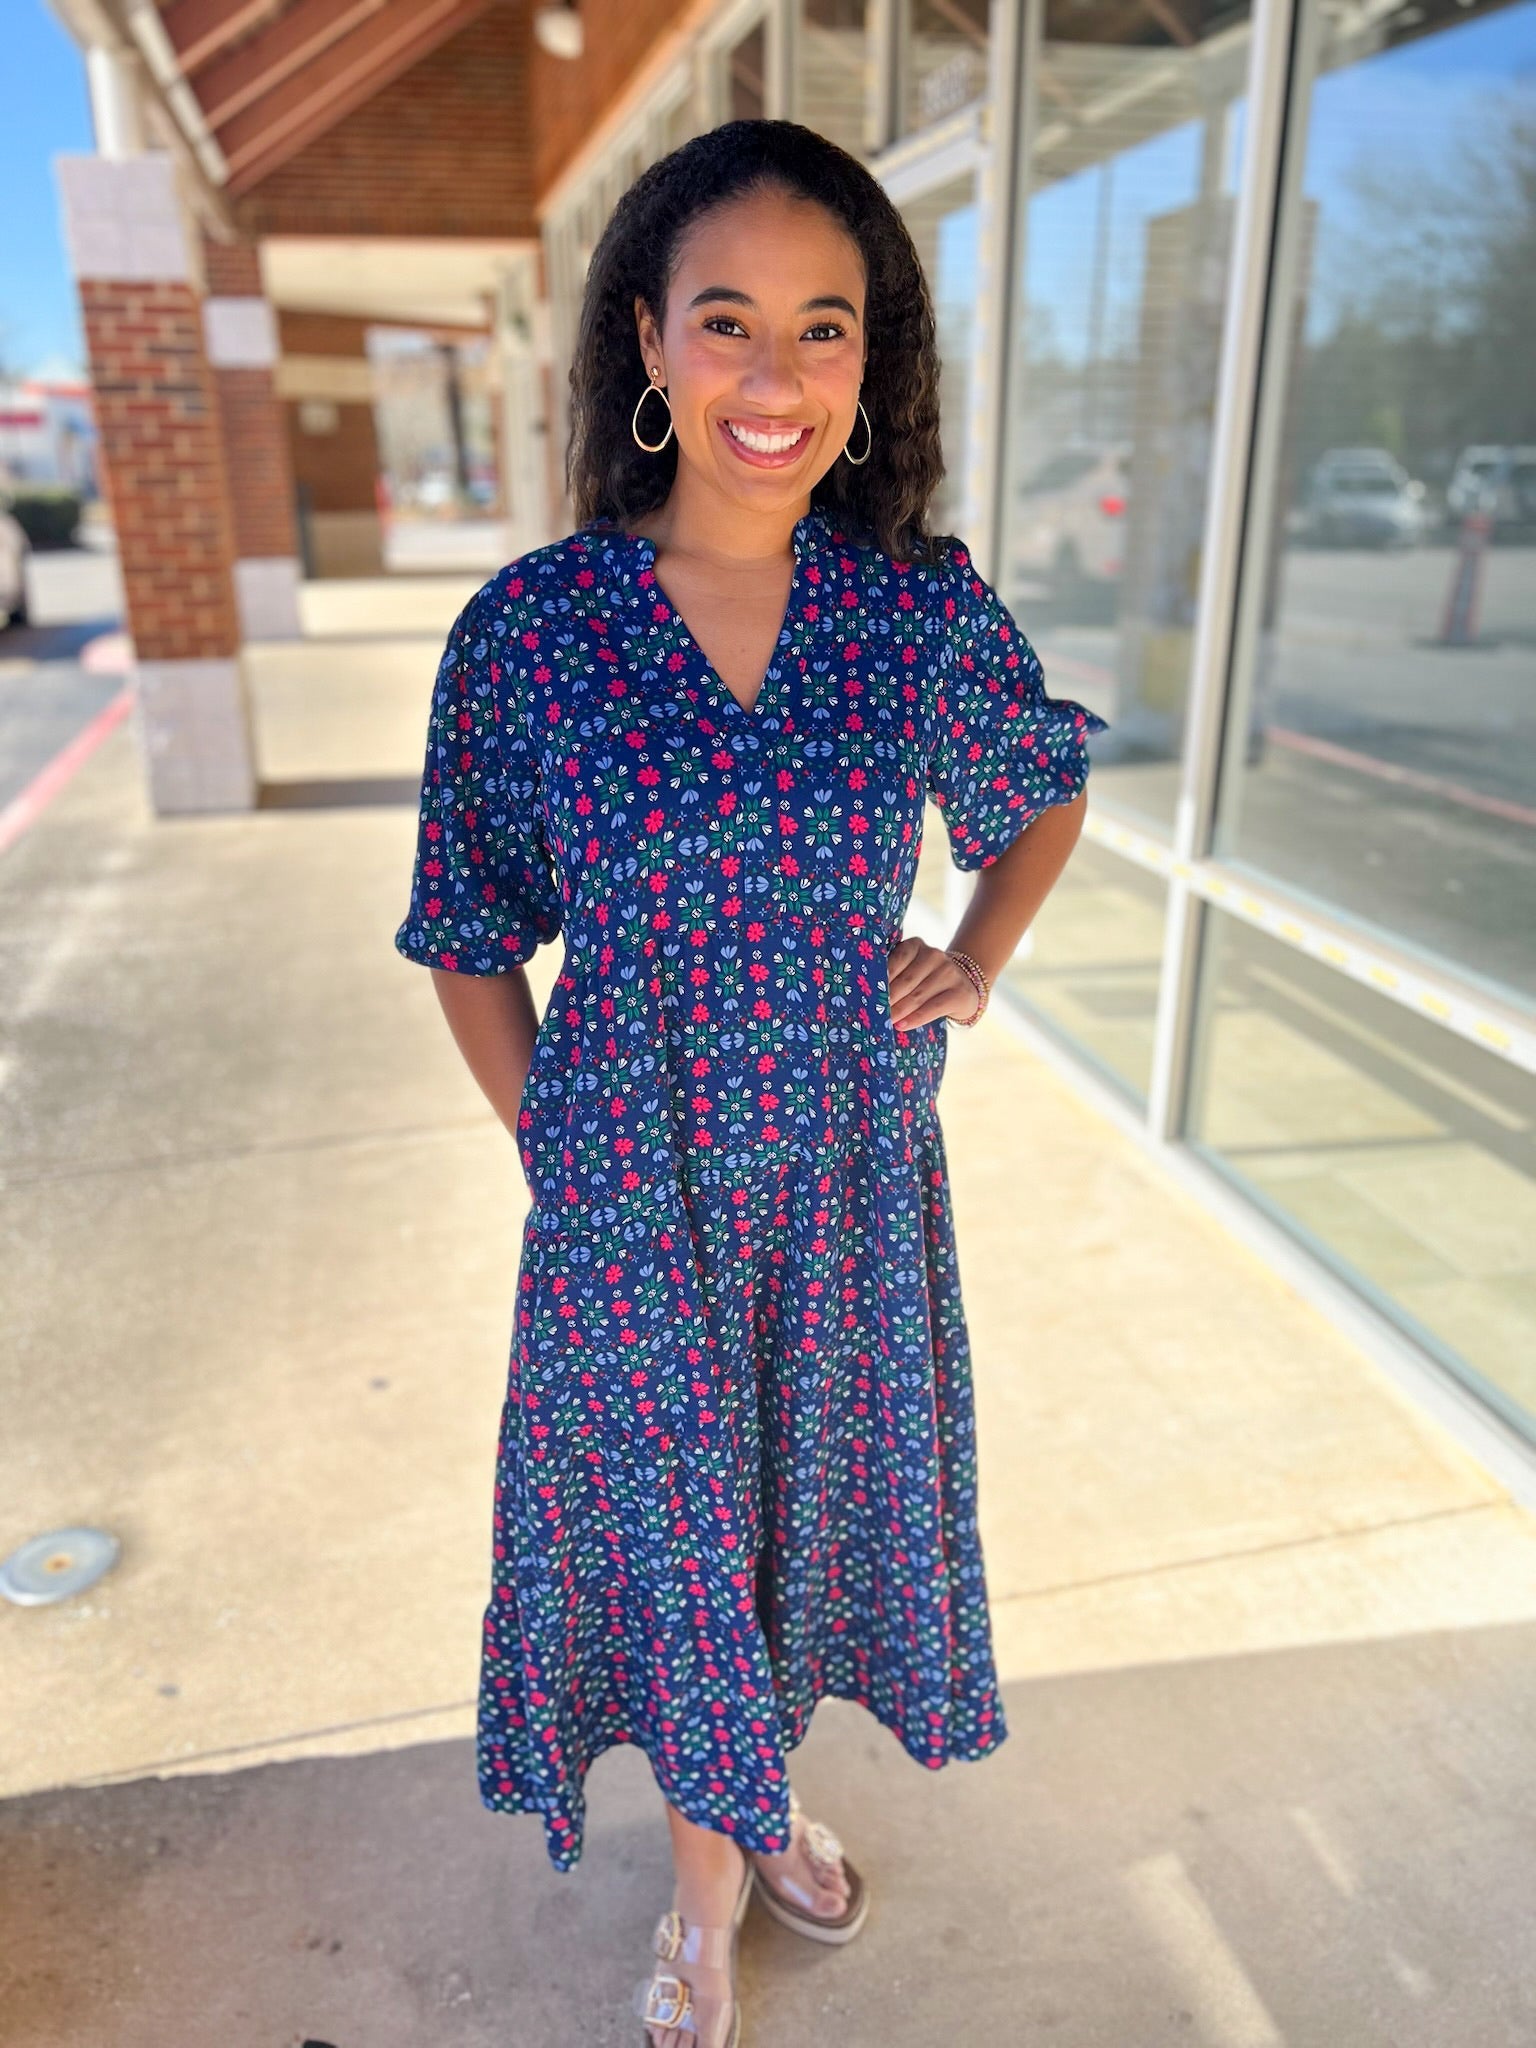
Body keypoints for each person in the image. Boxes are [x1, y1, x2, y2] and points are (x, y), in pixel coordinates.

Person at [394, 117, 1109, 2048]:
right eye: (727, 323)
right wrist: (566, 1154)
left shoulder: (911, 612)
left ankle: (752, 1805)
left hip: (853, 1186)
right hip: (630, 1193)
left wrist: (973, 961)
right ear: (645, 340)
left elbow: (1038, 801)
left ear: (870, 364)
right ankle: (711, 1908)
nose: (776, 381)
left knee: (797, 1531)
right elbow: (466, 932)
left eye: (824, 330)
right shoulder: (533, 635)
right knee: (688, 1546)